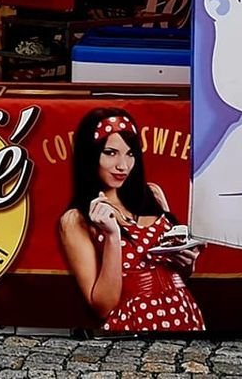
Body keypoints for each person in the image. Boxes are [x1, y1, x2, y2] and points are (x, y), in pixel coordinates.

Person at [56, 108, 205, 333]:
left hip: (185, 312)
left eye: (130, 153)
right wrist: (112, 236)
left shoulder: (152, 194)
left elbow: (176, 273)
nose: (123, 165)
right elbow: (103, 306)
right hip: (134, 322)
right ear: (90, 155)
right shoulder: (75, 219)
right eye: (110, 152)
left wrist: (187, 261)